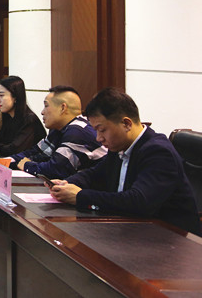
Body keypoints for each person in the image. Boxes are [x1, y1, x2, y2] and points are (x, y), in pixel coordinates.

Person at [49, 88, 200, 235]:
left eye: (102, 130)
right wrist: (67, 183)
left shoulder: (158, 152)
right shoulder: (119, 147)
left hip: (170, 237)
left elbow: (138, 202)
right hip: (133, 229)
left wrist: (80, 196)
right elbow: (94, 174)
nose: (98, 138)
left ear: (126, 124)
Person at [10, 85, 107, 179]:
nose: (42, 112)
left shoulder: (78, 131)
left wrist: (26, 165)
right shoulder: (58, 129)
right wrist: (6, 161)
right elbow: (37, 152)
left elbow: (55, 170)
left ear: (62, 108)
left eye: (46, 106)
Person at [0, 75, 45, 157]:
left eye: (2, 95)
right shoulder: (8, 117)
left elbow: (13, 150)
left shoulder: (29, 120)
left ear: (15, 97)